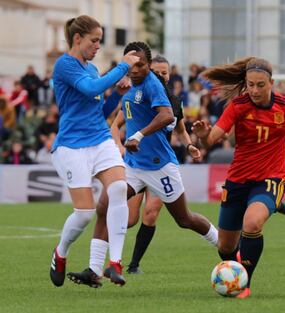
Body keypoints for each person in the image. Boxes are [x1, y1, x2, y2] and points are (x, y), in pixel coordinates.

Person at [191, 57, 285, 299]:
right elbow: (212, 139)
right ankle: (235, 273)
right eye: (250, 84)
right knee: (225, 246)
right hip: (237, 180)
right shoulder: (238, 105)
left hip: (271, 178)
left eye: (260, 85)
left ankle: (244, 284)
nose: (254, 90)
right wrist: (203, 136)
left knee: (252, 223)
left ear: (271, 83)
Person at [67, 41, 218, 288]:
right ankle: (94, 270)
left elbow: (169, 117)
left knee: (184, 219)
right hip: (133, 165)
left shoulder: (153, 86)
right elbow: (116, 121)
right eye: (130, 64)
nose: (135, 69)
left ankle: (221, 240)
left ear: (148, 66)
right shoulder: (128, 86)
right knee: (105, 205)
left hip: (160, 167)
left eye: (140, 64)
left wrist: (139, 135)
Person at [49, 15, 139, 288]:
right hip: (71, 146)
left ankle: (115, 263)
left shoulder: (91, 68)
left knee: (118, 189)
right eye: (95, 40)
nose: (98, 46)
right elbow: (89, 89)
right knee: (85, 213)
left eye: (100, 41)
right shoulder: (65, 65)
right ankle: (61, 252)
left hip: (99, 139)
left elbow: (97, 107)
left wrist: (116, 95)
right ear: (78, 39)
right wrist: (123, 67)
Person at [122, 54, 201, 274]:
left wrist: (189, 146)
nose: (161, 75)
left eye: (165, 72)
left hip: (160, 166)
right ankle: (108, 261)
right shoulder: (138, 95)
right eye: (157, 71)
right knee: (129, 219)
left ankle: (133, 265)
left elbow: (181, 129)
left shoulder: (174, 102)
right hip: (137, 162)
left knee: (151, 213)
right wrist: (118, 144)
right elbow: (118, 123)